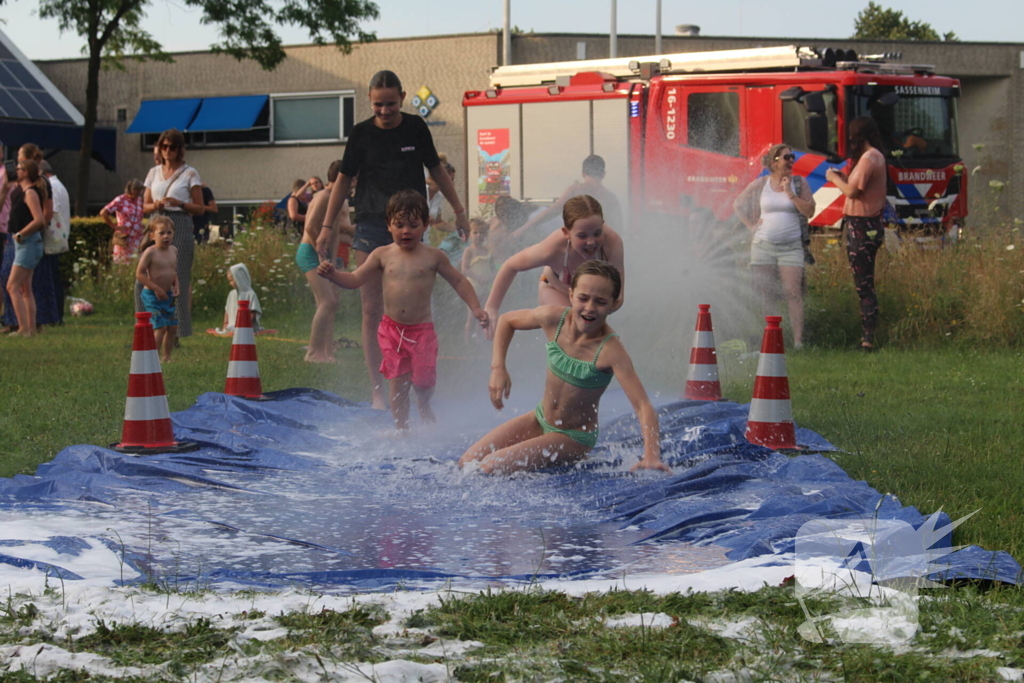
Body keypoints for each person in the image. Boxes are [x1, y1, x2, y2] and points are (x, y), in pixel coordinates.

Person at [316, 69, 471, 409]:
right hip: (372, 223)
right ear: (370, 103)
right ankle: (379, 387)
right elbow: (343, 181)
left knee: (414, 302)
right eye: (377, 106)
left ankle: (420, 381)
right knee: (372, 309)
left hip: (411, 223)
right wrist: (328, 226)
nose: (384, 111)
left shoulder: (416, 127)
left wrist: (459, 210)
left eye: (390, 104)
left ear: (402, 97)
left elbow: (437, 171)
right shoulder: (360, 135)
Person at [459, 261, 669, 475]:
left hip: (573, 436)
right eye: (583, 298)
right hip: (540, 419)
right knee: (467, 462)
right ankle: (543, 446)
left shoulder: (610, 351)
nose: (589, 307)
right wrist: (498, 368)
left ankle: (571, 452)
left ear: (614, 304)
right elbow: (506, 321)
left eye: (600, 302)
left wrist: (651, 455)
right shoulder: (554, 319)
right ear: (571, 295)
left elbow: (643, 405)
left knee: (490, 466)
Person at [317, 190, 488, 430]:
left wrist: (476, 307)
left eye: (413, 225)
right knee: (397, 383)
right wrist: (333, 275)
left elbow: (459, 281)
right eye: (399, 225)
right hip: (392, 331)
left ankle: (425, 404)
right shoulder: (382, 255)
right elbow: (355, 279)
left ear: (425, 226)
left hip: (422, 332)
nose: (405, 230)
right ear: (389, 226)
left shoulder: (434, 256)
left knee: (424, 381)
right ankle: (401, 429)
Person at [483, 194, 625, 339]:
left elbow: (618, 296)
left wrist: (600, 308)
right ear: (566, 233)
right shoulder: (553, 248)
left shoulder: (612, 244)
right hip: (554, 288)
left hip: (589, 299)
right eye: (582, 236)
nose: (591, 242)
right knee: (572, 329)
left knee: (592, 336)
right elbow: (510, 266)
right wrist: (492, 307)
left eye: (597, 233)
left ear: (603, 225)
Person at [734, 144, 815, 349]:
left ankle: (798, 342)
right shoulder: (762, 183)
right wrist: (750, 226)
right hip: (763, 246)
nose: (791, 161)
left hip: (791, 247)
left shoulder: (798, 183)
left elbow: (810, 211)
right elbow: (737, 204)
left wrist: (790, 194)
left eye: (792, 157)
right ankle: (770, 340)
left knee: (793, 293)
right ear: (774, 162)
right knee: (766, 293)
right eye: (786, 157)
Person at [826, 116, 888, 351]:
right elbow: (858, 188)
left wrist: (833, 179)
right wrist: (843, 178)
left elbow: (852, 192)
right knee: (864, 283)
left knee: (864, 285)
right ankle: (867, 335)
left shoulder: (869, 158)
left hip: (862, 226)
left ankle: (867, 339)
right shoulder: (874, 157)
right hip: (864, 224)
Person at [140, 129, 203, 339]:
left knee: (179, 277)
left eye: (172, 147)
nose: (168, 151)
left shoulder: (190, 173)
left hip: (180, 222)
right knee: (146, 274)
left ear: (180, 150)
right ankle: (146, 328)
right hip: (157, 222)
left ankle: (177, 331)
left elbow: (200, 208)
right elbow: (144, 205)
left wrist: (180, 203)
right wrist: (154, 205)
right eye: (164, 146)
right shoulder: (153, 172)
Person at [296, 159, 355, 362]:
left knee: (333, 302)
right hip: (310, 252)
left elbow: (335, 232)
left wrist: (335, 259)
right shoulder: (323, 197)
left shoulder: (337, 199)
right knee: (326, 301)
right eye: (352, 178)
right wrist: (322, 256)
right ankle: (313, 352)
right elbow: (311, 228)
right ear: (342, 178)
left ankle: (327, 352)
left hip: (325, 254)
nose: (355, 182)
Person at [2, 144, 56, 333]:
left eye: (18, 168)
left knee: (12, 286)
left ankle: (24, 328)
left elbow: (39, 219)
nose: (15, 170)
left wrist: (21, 234)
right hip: (24, 244)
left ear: (25, 172)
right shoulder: (20, 189)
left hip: (28, 243)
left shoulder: (30, 192)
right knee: (25, 288)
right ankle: (30, 328)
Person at [508, 154, 625, 242]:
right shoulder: (611, 198)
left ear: (583, 173)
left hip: (578, 246)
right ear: (603, 174)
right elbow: (619, 228)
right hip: (601, 246)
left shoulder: (576, 189)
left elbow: (552, 210)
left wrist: (523, 229)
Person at [136, 216, 179, 363]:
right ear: (153, 235)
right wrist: (156, 289)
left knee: (172, 327)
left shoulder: (173, 250)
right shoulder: (151, 252)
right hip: (152, 295)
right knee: (160, 327)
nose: (166, 236)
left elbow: (173, 271)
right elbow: (139, 274)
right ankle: (152, 359)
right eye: (161, 233)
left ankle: (166, 357)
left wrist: (176, 286)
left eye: (169, 232)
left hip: (168, 295)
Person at [39, 161, 70, 325]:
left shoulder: (52, 186)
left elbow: (51, 211)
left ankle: (55, 315)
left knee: (51, 278)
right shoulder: (58, 185)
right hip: (58, 238)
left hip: (52, 239)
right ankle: (55, 314)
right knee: (54, 277)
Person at [461, 218, 497, 340]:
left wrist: (491, 277)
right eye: (475, 232)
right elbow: (465, 269)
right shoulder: (469, 250)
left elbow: (493, 268)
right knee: (471, 316)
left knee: (483, 314)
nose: (479, 236)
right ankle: (467, 342)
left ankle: (479, 339)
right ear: (470, 234)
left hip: (485, 286)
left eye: (482, 233)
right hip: (473, 287)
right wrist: (478, 278)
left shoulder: (487, 250)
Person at [101, 179, 146, 264]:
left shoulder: (139, 200)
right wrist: (114, 226)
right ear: (130, 189)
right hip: (124, 236)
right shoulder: (121, 199)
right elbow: (104, 212)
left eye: (140, 190)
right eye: (136, 190)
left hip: (137, 237)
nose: (138, 192)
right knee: (122, 262)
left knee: (137, 263)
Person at [217, 263, 262, 334]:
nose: (230, 283)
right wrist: (225, 323)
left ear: (239, 278)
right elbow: (227, 310)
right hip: (232, 325)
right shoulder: (232, 294)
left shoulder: (250, 294)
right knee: (231, 328)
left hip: (246, 327)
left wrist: (244, 325)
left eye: (232, 280)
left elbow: (253, 311)